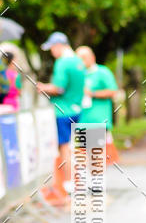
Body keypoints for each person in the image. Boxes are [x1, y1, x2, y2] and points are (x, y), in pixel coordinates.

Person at [37, 32, 85, 191]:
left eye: (52, 48)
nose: (51, 51)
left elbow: (59, 88)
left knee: (65, 148)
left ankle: (69, 184)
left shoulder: (62, 63)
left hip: (62, 111)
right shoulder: (78, 61)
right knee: (74, 147)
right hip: (77, 110)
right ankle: (78, 182)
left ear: (58, 46)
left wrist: (43, 87)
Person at [76, 46, 119, 152]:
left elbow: (113, 91)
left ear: (92, 57)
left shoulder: (102, 72)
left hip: (98, 120)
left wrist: (92, 93)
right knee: (83, 155)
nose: (81, 60)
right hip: (82, 121)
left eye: (84, 57)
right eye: (78, 58)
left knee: (95, 156)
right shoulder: (78, 75)